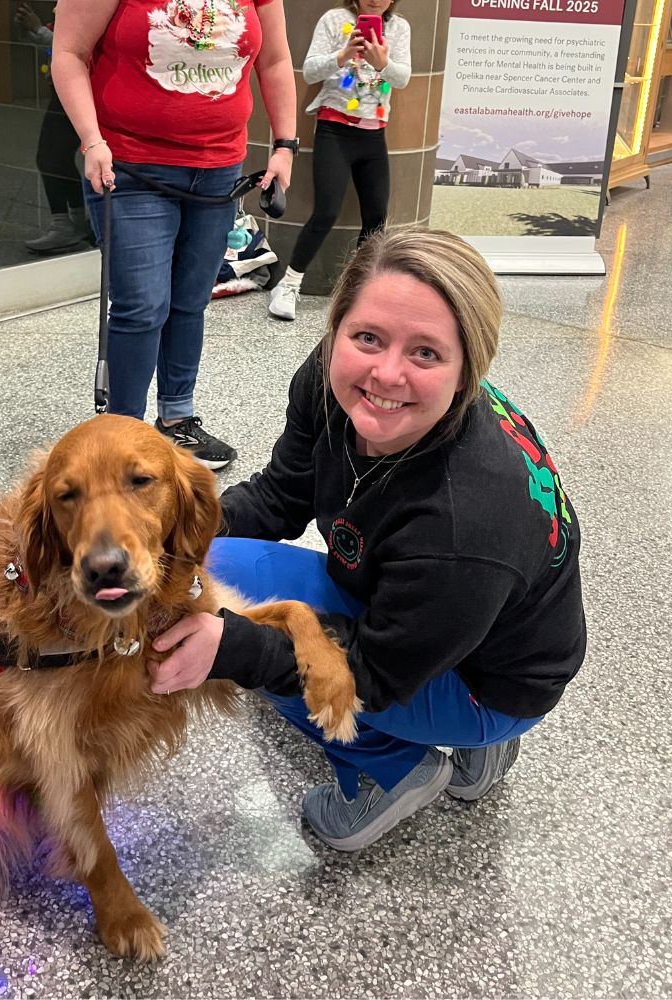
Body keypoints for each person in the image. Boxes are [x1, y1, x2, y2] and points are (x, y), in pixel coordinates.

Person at [146, 226, 587, 851]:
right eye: (367, 337)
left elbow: (368, 675)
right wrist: (176, 534)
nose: (385, 373)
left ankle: (397, 769)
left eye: (426, 353)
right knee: (216, 563)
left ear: (468, 369)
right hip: (448, 611)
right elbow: (283, 493)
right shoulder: (330, 379)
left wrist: (237, 648)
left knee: (261, 642)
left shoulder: (464, 520)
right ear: (336, 329)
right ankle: (470, 740)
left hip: (495, 680)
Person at [51, 0, 297, 470]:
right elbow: (69, 53)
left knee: (190, 299)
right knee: (143, 306)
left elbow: (275, 59)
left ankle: (176, 420)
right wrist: (91, 139)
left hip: (218, 170)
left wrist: (285, 145)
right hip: (130, 166)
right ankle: (121, 435)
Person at [269, 0, 410, 322]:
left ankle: (363, 293)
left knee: (376, 218)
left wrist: (383, 63)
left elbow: (402, 79)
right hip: (335, 128)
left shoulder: (400, 27)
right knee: (326, 212)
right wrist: (344, 55)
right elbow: (309, 70)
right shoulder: (335, 20)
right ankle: (289, 284)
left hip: (374, 134)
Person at [14, 3, 96, 255]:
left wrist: (38, 30)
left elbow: (79, 46)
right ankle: (77, 220)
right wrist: (31, 31)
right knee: (57, 158)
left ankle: (66, 225)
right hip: (69, 89)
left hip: (79, 90)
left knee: (50, 157)